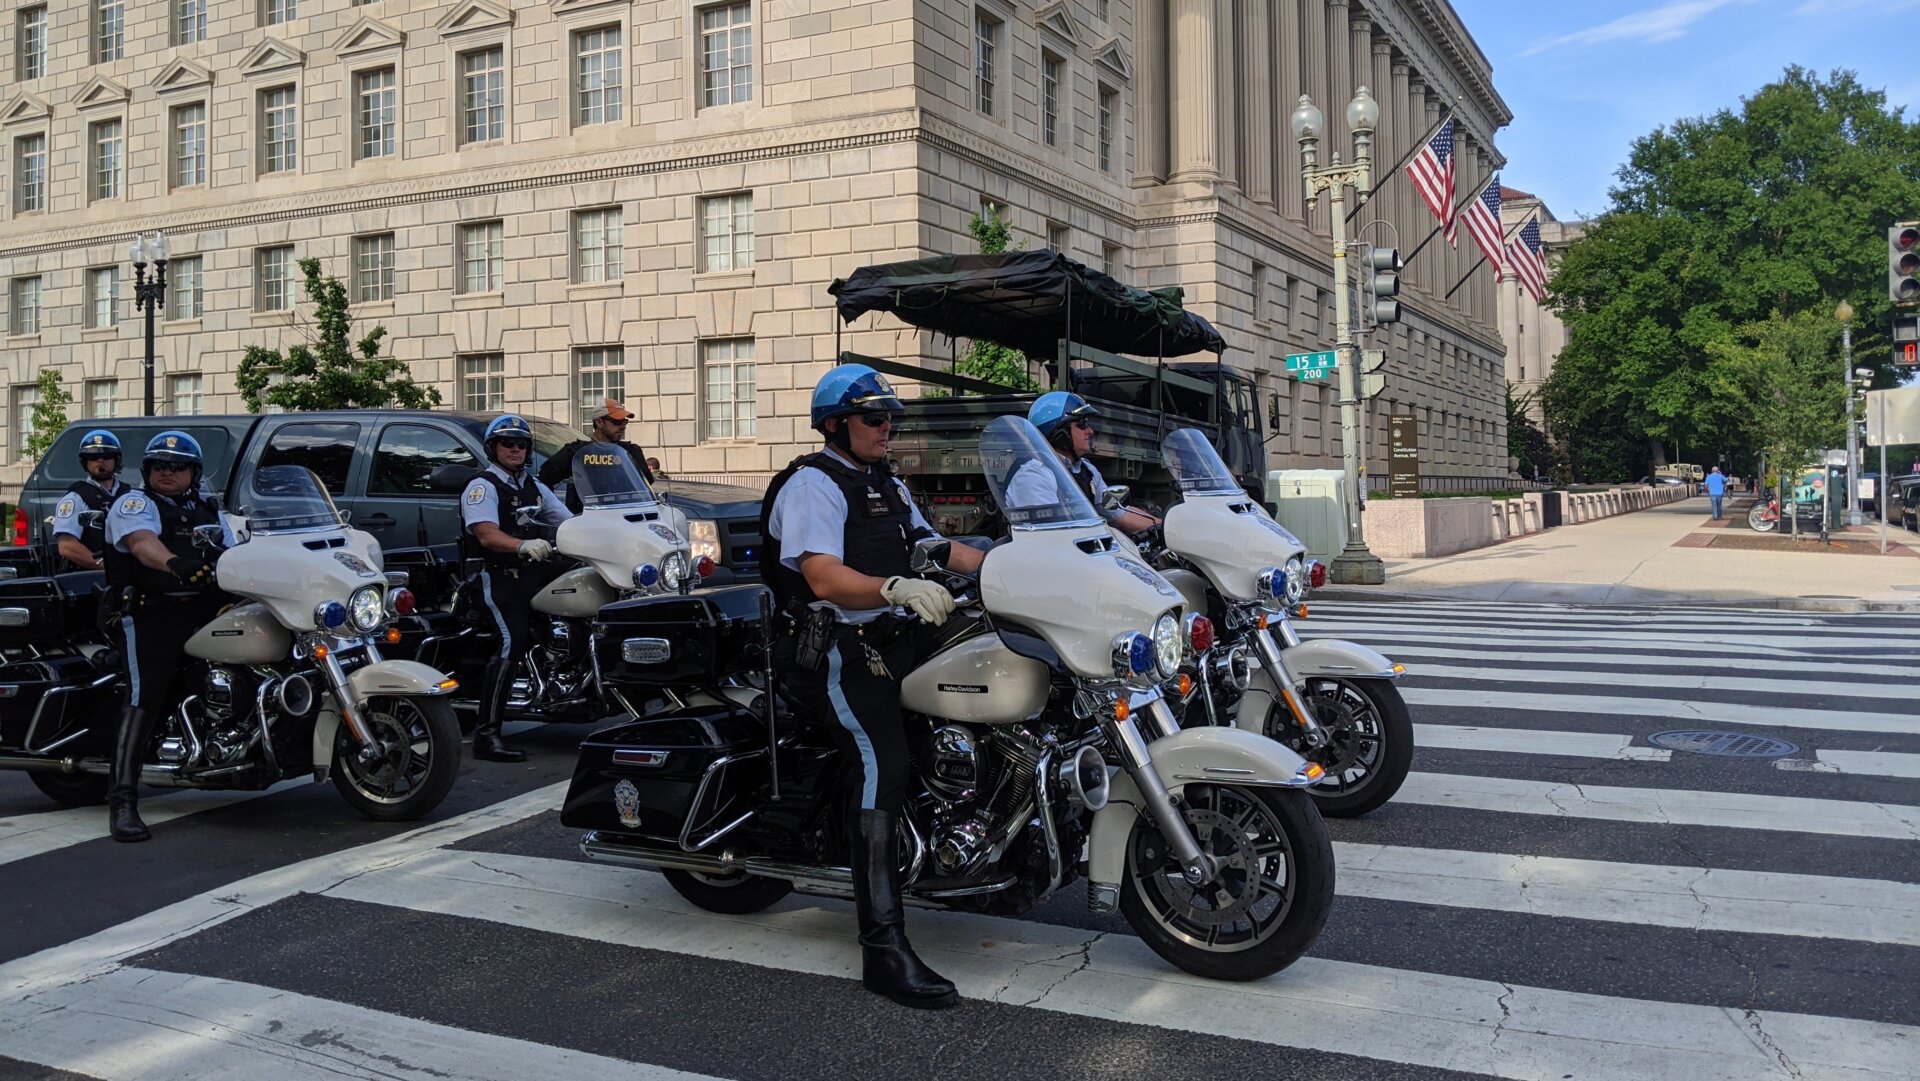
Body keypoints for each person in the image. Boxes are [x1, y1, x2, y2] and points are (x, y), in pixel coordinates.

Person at [760, 362, 985, 1010]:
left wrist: (1007, 562)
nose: (888, 427)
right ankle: (883, 946)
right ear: (837, 425)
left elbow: (933, 548)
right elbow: (825, 576)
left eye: (891, 417)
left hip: (890, 633)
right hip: (830, 645)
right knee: (880, 757)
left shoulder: (883, 481)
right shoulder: (815, 484)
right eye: (875, 417)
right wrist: (891, 587)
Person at [102, 431, 228, 842]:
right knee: (145, 696)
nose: (167, 472)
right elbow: (142, 545)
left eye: (177, 466)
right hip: (148, 612)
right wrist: (175, 563)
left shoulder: (208, 507)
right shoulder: (135, 504)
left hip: (201, 609)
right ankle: (122, 801)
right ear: (147, 471)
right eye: (159, 465)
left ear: (194, 472)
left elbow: (238, 547)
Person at [462, 414, 573, 762]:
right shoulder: (482, 487)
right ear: (493, 447)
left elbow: (568, 521)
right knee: (514, 639)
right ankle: (488, 734)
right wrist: (521, 546)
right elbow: (486, 534)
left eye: (521, 444)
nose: (515, 449)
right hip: (496, 575)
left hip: (534, 571)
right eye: (507, 443)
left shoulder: (535, 486)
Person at [1009, 392, 1161, 534]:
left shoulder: (1086, 470)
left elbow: (1120, 514)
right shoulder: (1033, 475)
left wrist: (1166, 528)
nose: (1090, 431)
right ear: (1059, 432)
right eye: (1082, 424)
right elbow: (1050, 534)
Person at [538, 399, 656, 514]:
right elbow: (543, 480)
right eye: (617, 422)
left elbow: (646, 484)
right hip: (587, 522)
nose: (622, 427)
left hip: (624, 518)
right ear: (599, 422)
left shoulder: (631, 452)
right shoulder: (574, 452)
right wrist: (556, 512)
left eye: (624, 422)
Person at [50, 429, 126, 572]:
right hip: (91, 577)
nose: (100, 460)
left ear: (117, 459)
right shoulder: (75, 499)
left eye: (107, 455)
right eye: (93, 457)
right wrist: (106, 566)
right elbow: (67, 546)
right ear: (85, 462)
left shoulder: (129, 495)